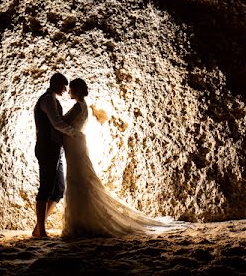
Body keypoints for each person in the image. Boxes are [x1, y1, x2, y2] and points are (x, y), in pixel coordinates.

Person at [60, 78, 176, 237]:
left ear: (77, 90)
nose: (68, 91)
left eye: (71, 88)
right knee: (81, 181)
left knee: (78, 181)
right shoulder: (83, 106)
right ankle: (83, 221)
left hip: (75, 146)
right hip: (76, 145)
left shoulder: (77, 107)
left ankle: (82, 222)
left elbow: (61, 122)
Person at [32, 71, 82, 238]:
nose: (65, 89)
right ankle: (41, 231)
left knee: (59, 189)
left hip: (54, 147)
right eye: (63, 85)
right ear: (54, 84)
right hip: (47, 147)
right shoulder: (47, 100)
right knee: (45, 187)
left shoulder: (52, 99)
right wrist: (74, 133)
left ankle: (38, 227)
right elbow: (57, 123)